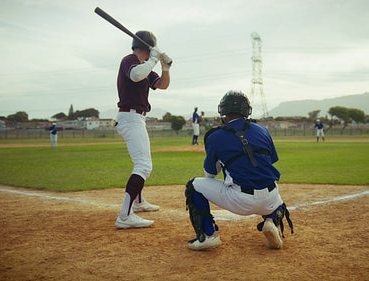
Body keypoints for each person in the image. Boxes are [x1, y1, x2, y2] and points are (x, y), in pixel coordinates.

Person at [184, 90, 293, 251]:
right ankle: (271, 221)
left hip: (241, 201)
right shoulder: (263, 130)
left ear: (223, 112)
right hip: (270, 197)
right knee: (276, 200)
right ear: (247, 110)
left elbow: (210, 174)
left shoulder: (215, 136)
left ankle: (208, 236)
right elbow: (270, 161)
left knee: (193, 185)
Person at [113, 30, 172, 229]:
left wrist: (165, 67)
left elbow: (162, 85)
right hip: (129, 117)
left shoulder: (145, 66)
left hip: (137, 118)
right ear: (148, 48)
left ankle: (138, 202)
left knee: (142, 162)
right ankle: (125, 216)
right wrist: (153, 60)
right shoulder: (129, 60)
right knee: (143, 166)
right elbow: (136, 75)